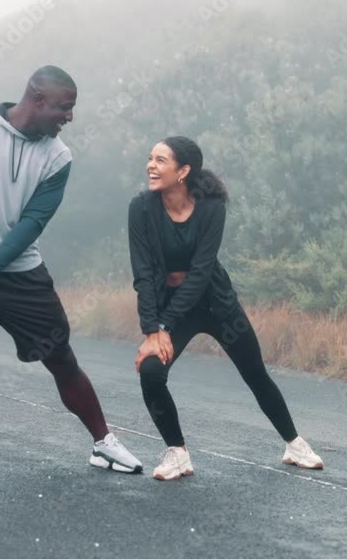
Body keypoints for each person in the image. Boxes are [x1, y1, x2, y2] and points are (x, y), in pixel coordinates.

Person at [0, 66, 142, 497]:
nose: (69, 117)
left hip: (20, 274)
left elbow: (33, 222)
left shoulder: (59, 156)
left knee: (61, 358)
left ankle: (104, 443)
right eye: (64, 107)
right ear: (36, 98)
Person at [128, 136, 324, 481]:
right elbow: (143, 273)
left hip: (216, 302)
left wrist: (163, 326)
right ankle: (177, 453)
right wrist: (152, 330)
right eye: (150, 158)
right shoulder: (141, 208)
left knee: (254, 372)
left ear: (183, 170)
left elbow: (202, 272)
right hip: (169, 308)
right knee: (151, 373)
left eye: (160, 160)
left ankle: (294, 444)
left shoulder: (211, 207)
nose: (151, 166)